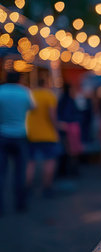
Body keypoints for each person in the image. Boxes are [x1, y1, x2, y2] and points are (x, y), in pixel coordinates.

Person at [0, 71, 35, 214]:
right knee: (20, 172)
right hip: (20, 134)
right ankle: (20, 203)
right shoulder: (24, 92)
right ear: (19, 79)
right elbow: (32, 108)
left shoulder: (1, 91)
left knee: (1, 173)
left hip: (2, 134)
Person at [26, 79, 60, 197]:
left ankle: (28, 187)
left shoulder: (31, 95)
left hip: (31, 133)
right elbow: (52, 115)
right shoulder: (49, 96)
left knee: (30, 162)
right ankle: (47, 187)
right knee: (49, 161)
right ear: (46, 84)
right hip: (47, 134)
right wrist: (56, 129)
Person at [57, 83, 82, 176]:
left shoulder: (62, 100)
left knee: (65, 149)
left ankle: (63, 170)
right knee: (73, 150)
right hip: (71, 127)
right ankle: (73, 170)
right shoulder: (70, 101)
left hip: (63, 127)